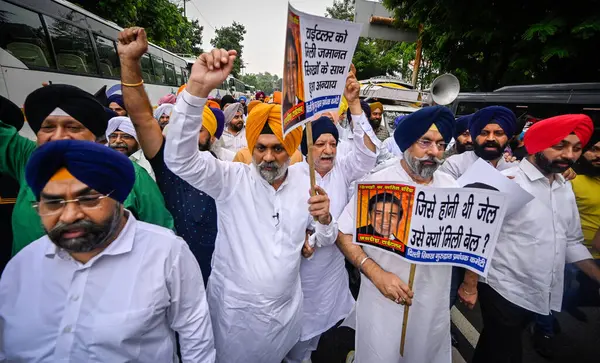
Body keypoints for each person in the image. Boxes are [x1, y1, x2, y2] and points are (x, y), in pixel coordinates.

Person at [164, 47, 337, 363]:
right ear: (251, 144)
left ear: (291, 148)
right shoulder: (231, 179)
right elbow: (178, 158)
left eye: (278, 149)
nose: (268, 158)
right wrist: (197, 90)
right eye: (260, 148)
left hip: (286, 313)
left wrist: (323, 221)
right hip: (236, 317)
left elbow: (323, 239)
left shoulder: (305, 181)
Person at [0, 140, 215, 362]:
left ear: (119, 198)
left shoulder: (165, 253)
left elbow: (195, 337)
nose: (69, 216)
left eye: (88, 199)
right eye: (53, 204)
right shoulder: (22, 265)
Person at [471, 114, 600, 363]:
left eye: (576, 148)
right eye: (559, 146)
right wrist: (469, 283)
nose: (569, 155)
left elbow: (571, 242)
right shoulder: (507, 183)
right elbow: (476, 238)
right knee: (506, 353)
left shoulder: (563, 187)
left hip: (540, 291)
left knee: (493, 347)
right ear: (539, 144)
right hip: (502, 288)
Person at [336, 105, 457, 362]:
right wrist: (376, 273)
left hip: (431, 304)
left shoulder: (453, 189)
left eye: (440, 144)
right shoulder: (376, 182)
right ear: (407, 142)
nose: (434, 152)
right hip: (382, 303)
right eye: (425, 142)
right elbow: (343, 234)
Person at [0, 83, 174, 256]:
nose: (59, 136)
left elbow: (161, 239)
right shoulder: (26, 159)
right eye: (48, 127)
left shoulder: (129, 174)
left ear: (95, 137)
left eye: (73, 127)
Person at [117, 27, 230, 284]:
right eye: (184, 128)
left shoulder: (228, 172)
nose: (189, 136)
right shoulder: (167, 161)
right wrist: (129, 61)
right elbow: (142, 117)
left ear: (212, 137)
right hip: (178, 273)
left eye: (198, 129)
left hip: (225, 276)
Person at [285, 69, 377, 363]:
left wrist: (354, 105)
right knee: (296, 340)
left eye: (333, 144)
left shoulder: (343, 170)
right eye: (320, 143)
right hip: (300, 276)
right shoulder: (291, 177)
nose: (328, 150)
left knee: (330, 339)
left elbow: (368, 156)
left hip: (333, 275)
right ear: (306, 148)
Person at [439, 106, 517, 179]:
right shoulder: (454, 165)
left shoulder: (514, 168)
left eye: (498, 133)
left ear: (508, 138)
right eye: (483, 133)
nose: (490, 139)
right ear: (475, 136)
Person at [105, 116, 155, 180]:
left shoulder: (149, 163)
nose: (118, 141)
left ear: (137, 140)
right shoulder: (101, 160)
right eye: (113, 136)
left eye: (126, 137)